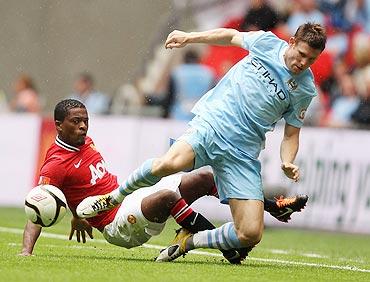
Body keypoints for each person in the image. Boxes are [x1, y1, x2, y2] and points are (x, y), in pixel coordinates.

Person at [78, 22, 326, 262]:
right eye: (302, 54)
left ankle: (189, 241)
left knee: (250, 233)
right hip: (212, 125)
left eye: (311, 60)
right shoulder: (266, 43)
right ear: (292, 42)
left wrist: (287, 161)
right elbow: (229, 36)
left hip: (243, 153)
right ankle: (112, 199)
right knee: (168, 164)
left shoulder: (304, 89)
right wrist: (189, 37)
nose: (303, 63)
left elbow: (291, 134)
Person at [20, 99, 308, 264]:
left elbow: (80, 190)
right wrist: (26, 251)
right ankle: (228, 248)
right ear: (58, 125)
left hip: (126, 198)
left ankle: (270, 206)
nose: (83, 126)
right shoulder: (56, 162)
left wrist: (79, 214)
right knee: (168, 198)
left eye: (85, 120)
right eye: (75, 122)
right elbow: (39, 206)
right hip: (115, 223)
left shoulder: (84, 141)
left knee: (204, 177)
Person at [164, 49, 215, 121]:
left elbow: (170, 96)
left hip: (179, 113)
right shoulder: (208, 73)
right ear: (198, 59)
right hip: (201, 114)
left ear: (184, 59)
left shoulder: (177, 72)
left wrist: (165, 114)